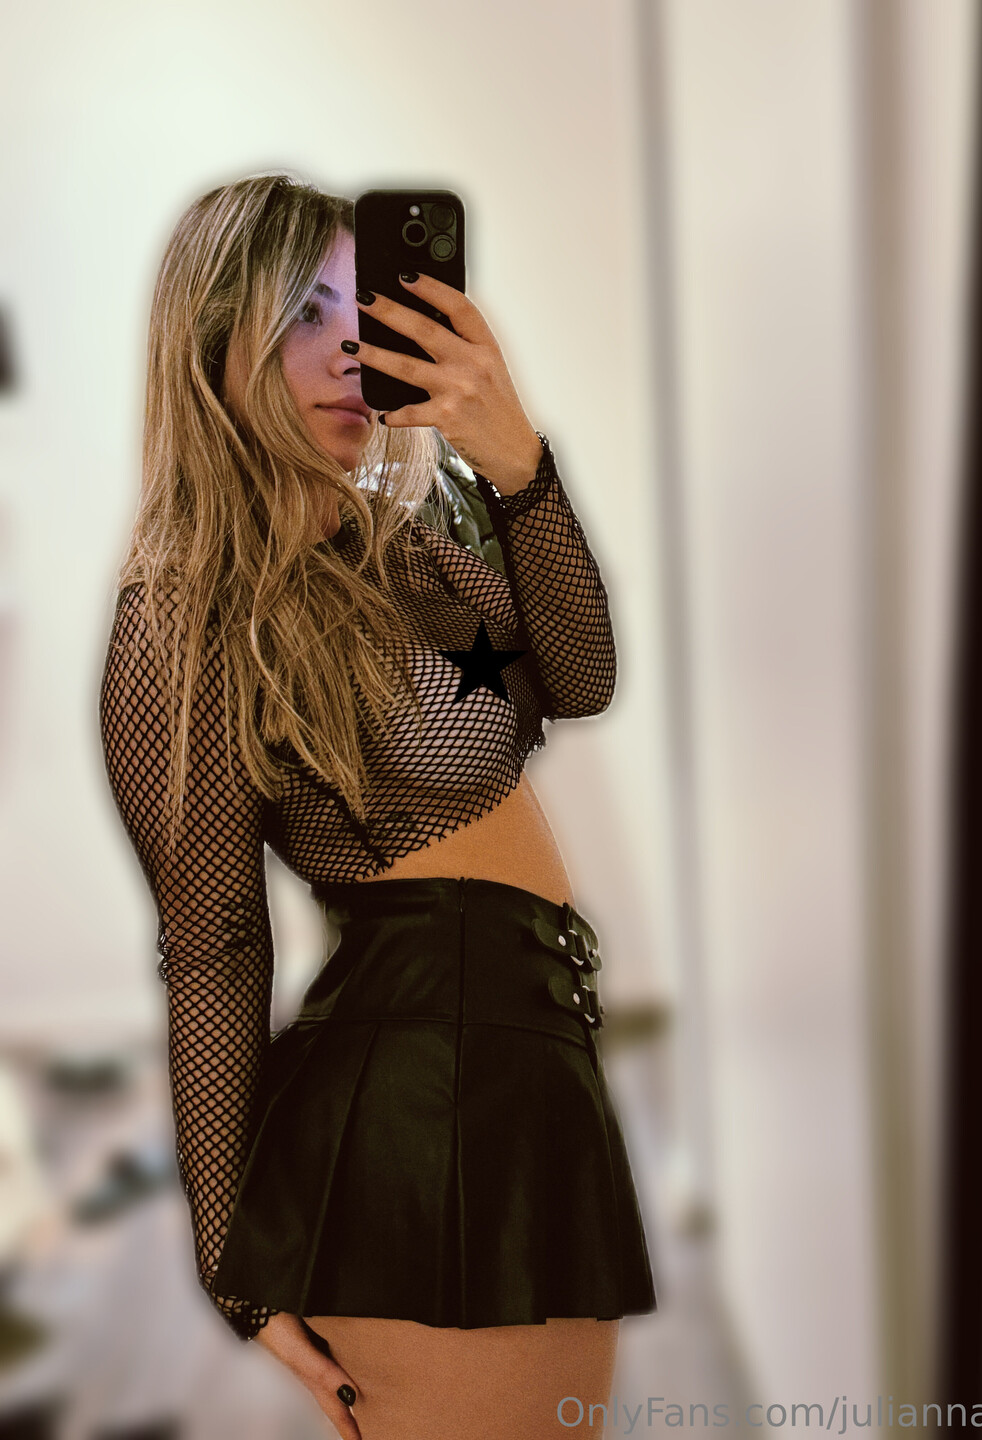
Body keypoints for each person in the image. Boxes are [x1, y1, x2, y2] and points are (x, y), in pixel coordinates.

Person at [98, 173, 656, 1440]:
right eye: (305, 312)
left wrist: (519, 467)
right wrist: (230, 1262)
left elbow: (582, 677)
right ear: (214, 338)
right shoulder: (182, 612)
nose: (350, 346)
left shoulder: (405, 541)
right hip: (421, 1089)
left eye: (361, 309)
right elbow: (213, 939)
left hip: (526, 1052)